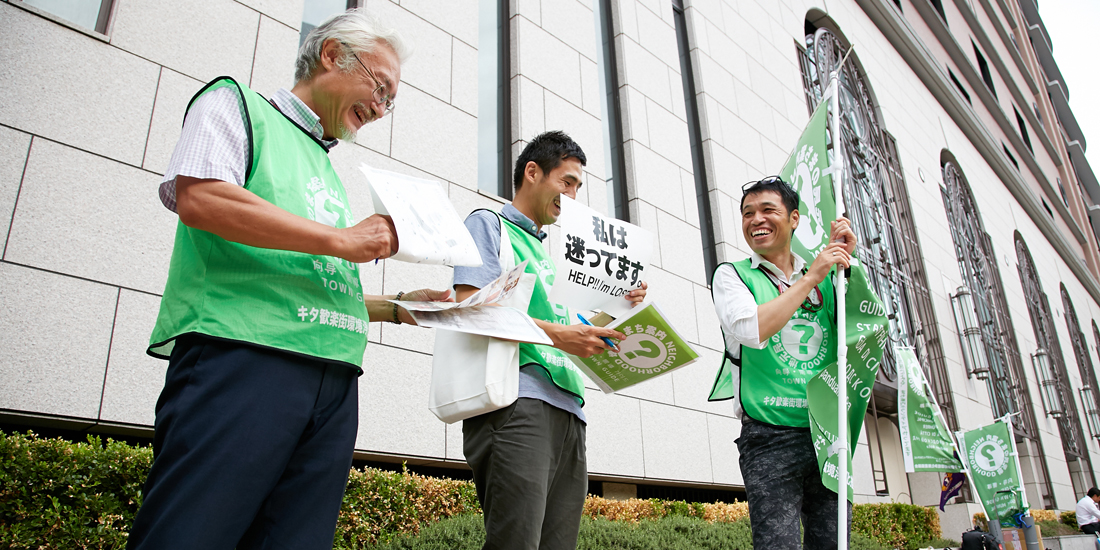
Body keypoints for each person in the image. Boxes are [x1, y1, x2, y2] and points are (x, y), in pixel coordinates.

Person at [128, 10, 452, 550]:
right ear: (331, 55)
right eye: (381, 87)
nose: (382, 107)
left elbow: (311, 281)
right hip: (243, 356)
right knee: (190, 534)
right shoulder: (237, 103)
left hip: (335, 378)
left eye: (391, 101)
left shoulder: (325, 165)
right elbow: (200, 197)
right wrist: (343, 240)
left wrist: (398, 305)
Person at [453, 130, 647, 550]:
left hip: (570, 409)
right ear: (532, 172)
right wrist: (561, 336)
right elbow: (470, 308)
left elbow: (570, 324)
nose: (572, 195)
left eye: (578, 187)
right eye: (567, 181)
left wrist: (622, 306)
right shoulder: (489, 225)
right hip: (517, 402)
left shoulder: (555, 253)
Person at [709, 176, 856, 549]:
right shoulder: (733, 275)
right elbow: (752, 329)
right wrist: (811, 278)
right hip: (768, 434)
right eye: (747, 213)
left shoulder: (828, 275)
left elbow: (859, 334)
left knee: (834, 543)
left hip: (827, 434)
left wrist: (846, 270)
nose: (756, 219)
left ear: (794, 218)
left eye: (767, 210)